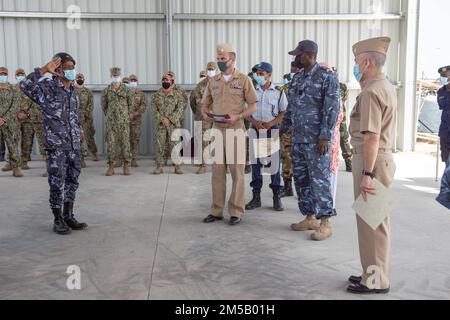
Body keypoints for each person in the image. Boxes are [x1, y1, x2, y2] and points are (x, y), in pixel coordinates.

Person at [346, 37, 397, 294]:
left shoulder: (371, 91)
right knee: (371, 222)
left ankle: (376, 282)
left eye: (356, 62)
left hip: (372, 161)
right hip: (377, 159)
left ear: (366, 62)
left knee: (373, 223)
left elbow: (372, 136)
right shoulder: (383, 86)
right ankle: (371, 273)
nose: (355, 67)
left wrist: (367, 174)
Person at [20, 53, 88, 234]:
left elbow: (73, 114)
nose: (71, 70)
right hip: (57, 146)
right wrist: (43, 70)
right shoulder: (47, 87)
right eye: (66, 67)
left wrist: (79, 130)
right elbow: (24, 85)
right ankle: (57, 219)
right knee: (57, 183)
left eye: (73, 67)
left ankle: (68, 215)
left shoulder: (73, 90)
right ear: (57, 69)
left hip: (73, 145)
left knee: (72, 181)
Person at [281, 40, 340, 241]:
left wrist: (325, 136)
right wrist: (284, 126)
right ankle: (310, 216)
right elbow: (292, 105)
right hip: (298, 138)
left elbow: (331, 109)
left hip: (317, 141)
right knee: (302, 179)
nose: (296, 58)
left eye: (299, 54)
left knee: (320, 180)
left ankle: (326, 222)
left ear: (309, 54)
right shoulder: (297, 79)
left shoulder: (327, 78)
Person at [201, 43, 258, 226]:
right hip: (217, 130)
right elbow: (205, 104)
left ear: (232, 60)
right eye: (218, 59)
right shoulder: (213, 81)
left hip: (235, 130)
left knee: (237, 173)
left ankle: (236, 211)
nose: (220, 62)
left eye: (223, 59)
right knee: (217, 173)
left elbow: (252, 105)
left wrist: (239, 116)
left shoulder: (243, 80)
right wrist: (206, 113)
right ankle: (216, 210)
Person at [245, 62, 287, 212]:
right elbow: (245, 111)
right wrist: (254, 122)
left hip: (271, 130)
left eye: (261, 73)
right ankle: (256, 197)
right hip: (255, 130)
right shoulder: (250, 91)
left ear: (269, 74)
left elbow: (283, 112)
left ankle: (277, 196)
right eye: (256, 73)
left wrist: (272, 123)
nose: (258, 76)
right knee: (256, 165)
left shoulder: (278, 92)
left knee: (274, 165)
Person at [152, 72, 185, 175]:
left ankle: (177, 166)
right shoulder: (156, 95)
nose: (165, 82)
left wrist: (170, 120)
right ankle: (159, 166)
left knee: (175, 145)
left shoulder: (177, 95)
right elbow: (154, 110)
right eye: (163, 80)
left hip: (173, 124)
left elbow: (180, 109)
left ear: (172, 82)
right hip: (161, 125)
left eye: (167, 80)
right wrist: (162, 119)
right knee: (160, 145)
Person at [102, 67, 133, 176]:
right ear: (111, 76)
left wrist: (125, 115)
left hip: (124, 122)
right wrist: (111, 115)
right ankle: (111, 167)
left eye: (117, 75)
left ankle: (126, 166)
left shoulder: (126, 89)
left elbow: (131, 104)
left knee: (125, 144)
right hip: (111, 122)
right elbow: (104, 106)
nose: (116, 76)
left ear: (120, 75)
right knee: (111, 144)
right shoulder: (107, 90)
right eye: (114, 75)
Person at [278, 61, 303, 198]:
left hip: (303, 131)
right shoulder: (284, 89)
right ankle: (287, 187)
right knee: (286, 157)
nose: (293, 73)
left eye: (295, 69)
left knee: (300, 160)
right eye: (292, 70)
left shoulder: (308, 86)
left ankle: (302, 189)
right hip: (288, 129)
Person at [16, 68, 47, 174]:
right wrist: (22, 114)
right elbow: (20, 103)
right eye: (18, 74)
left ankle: (49, 166)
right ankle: (24, 161)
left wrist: (27, 113)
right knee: (26, 142)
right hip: (26, 120)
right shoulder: (21, 88)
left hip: (39, 118)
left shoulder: (39, 87)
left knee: (43, 143)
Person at [190, 62, 217, 174]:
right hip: (204, 117)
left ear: (216, 70)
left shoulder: (221, 83)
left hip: (218, 117)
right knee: (203, 141)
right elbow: (194, 102)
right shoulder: (200, 85)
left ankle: (222, 166)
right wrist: (200, 113)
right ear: (206, 70)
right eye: (209, 69)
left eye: (212, 69)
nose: (211, 70)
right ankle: (202, 165)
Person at [0, 66, 22, 177]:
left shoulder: (13, 88)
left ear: (7, 75)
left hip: (10, 122)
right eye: (0, 74)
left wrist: (4, 119)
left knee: (12, 145)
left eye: (4, 74)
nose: (2, 76)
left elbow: (15, 106)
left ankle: (16, 167)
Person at [75, 73, 98, 166]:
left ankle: (94, 153)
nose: (79, 79)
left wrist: (85, 114)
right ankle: (81, 159)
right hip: (75, 117)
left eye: (81, 78)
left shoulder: (88, 92)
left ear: (84, 79)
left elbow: (91, 105)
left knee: (89, 136)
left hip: (86, 117)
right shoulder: (72, 90)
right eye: (78, 78)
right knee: (78, 138)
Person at [435, 65, 450, 209]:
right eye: (442, 76)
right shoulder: (440, 92)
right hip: (445, 131)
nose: (443, 78)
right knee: (446, 159)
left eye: (446, 76)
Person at [128, 74, 147, 167]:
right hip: (125, 121)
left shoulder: (141, 94)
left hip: (136, 121)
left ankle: (134, 159)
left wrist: (134, 114)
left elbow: (143, 106)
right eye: (131, 80)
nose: (132, 82)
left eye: (134, 80)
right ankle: (123, 160)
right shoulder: (124, 93)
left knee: (135, 139)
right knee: (124, 140)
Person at [339, 82, 353, 172]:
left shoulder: (342, 86)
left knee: (344, 138)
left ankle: (348, 162)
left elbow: (345, 98)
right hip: (329, 117)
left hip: (341, 117)